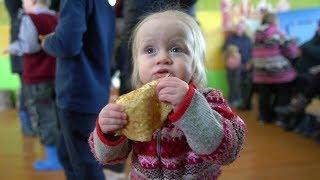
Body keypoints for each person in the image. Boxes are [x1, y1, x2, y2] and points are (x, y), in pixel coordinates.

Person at [89, 10, 246, 179]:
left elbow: (229, 152)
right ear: (137, 65)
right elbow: (108, 157)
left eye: (176, 49)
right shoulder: (132, 106)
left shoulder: (209, 100)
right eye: (150, 50)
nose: (162, 58)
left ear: (194, 63)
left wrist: (190, 106)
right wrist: (107, 131)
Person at [41, 0, 115, 179]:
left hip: (77, 92)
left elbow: (67, 44)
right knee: (67, 155)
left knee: (84, 164)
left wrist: (46, 41)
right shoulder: (106, 3)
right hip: (94, 89)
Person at [4, 0, 61, 171]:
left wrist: (13, 47)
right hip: (55, 75)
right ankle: (61, 154)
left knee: (44, 118)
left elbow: (29, 46)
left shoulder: (30, 18)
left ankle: (53, 159)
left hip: (37, 77)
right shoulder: (57, 17)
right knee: (57, 116)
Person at [252, 13, 297, 124]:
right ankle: (280, 118)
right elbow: (291, 51)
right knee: (285, 88)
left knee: (264, 94)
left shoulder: (256, 33)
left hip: (260, 71)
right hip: (277, 70)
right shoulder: (277, 32)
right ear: (274, 21)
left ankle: (263, 117)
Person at [4, 0, 35, 137]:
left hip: (32, 57)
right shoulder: (17, 11)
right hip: (20, 57)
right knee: (25, 91)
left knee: (31, 91)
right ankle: (26, 124)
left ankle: (31, 124)